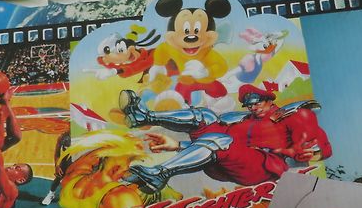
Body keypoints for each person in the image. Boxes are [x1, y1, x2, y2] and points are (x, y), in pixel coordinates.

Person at [118, 80, 332, 193]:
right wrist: (178, 145)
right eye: (249, 104)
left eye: (257, 102)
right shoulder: (242, 119)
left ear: (269, 99)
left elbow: (321, 148)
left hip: (260, 167)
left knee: (222, 141)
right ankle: (143, 116)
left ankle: (159, 174)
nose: (253, 107)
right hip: (223, 162)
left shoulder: (291, 115)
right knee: (206, 115)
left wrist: (303, 152)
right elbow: (213, 143)